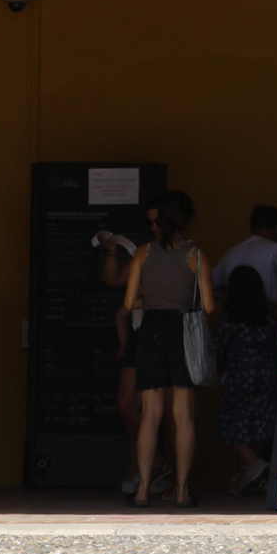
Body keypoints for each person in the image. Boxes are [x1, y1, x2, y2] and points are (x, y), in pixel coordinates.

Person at [121, 190, 215, 508]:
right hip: (184, 332)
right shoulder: (195, 255)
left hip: (150, 331)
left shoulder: (143, 254)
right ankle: (182, 491)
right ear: (185, 221)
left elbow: (129, 302)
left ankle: (144, 489)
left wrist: (155, 300)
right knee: (183, 416)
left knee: (150, 415)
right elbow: (210, 306)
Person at [96, 198, 174, 498]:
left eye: (159, 221)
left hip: (167, 334)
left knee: (168, 414)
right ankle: (156, 463)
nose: (154, 227)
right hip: (142, 335)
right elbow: (114, 280)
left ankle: (165, 478)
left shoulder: (186, 253)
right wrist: (113, 251)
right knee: (128, 405)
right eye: (150, 222)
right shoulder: (145, 252)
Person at [215, 265, 277, 494]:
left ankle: (254, 465)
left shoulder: (230, 318)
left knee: (230, 424)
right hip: (266, 375)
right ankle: (247, 476)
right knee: (261, 424)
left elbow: (219, 349)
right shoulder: (269, 317)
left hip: (239, 376)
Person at [212, 205, 277, 309]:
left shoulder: (231, 253)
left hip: (234, 321)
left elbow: (207, 286)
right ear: (276, 228)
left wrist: (233, 300)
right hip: (268, 319)